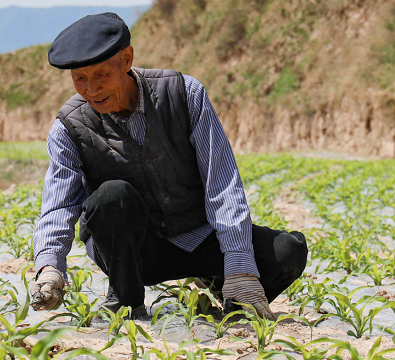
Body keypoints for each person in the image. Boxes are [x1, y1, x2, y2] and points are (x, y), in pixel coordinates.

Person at [28, 12, 308, 320]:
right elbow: (58, 204)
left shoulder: (185, 95)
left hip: (200, 237)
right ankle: (125, 297)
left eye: (101, 75)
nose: (91, 90)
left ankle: (227, 289)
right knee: (111, 197)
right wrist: (50, 267)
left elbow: (222, 184)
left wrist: (240, 265)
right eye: (80, 79)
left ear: (127, 59)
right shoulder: (70, 126)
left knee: (287, 252)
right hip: (137, 252)